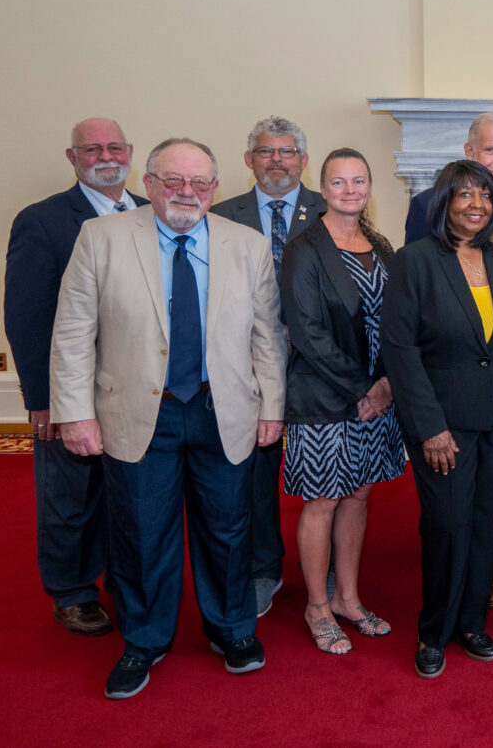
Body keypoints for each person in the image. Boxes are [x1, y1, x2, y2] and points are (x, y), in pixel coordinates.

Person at [49, 137, 287, 699]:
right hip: (135, 412)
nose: (187, 192)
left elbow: (267, 337)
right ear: (150, 184)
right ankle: (144, 642)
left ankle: (231, 630)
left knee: (229, 530)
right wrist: (75, 415)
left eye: (200, 183)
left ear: (215, 188)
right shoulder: (101, 238)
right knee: (140, 532)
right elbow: (73, 333)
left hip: (221, 408)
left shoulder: (247, 246)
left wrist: (272, 407)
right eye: (174, 181)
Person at [383, 160, 493, 679]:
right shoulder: (415, 261)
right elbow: (400, 351)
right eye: (465, 195)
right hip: (441, 426)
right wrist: (429, 427)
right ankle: (433, 631)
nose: (477, 205)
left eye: (485, 196)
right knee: (448, 525)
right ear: (443, 202)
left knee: (486, 523)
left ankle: (472, 624)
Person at [5, 117, 145, 638]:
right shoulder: (42, 221)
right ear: (73, 157)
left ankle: (122, 579)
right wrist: (43, 398)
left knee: (128, 491)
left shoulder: (152, 214)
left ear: (130, 152)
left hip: (137, 389)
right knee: (70, 497)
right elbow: (27, 315)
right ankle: (73, 592)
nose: (105, 156)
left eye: (113, 147)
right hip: (73, 389)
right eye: (92, 149)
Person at [404, 112, 493, 606]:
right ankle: (447, 608)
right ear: (469, 151)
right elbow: (409, 325)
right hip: (447, 398)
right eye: (490, 151)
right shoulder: (423, 222)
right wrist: (427, 422)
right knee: (451, 514)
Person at [279, 149, 405, 655]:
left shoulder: (381, 244)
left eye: (358, 180)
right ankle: (316, 605)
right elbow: (306, 332)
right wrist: (364, 388)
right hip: (326, 396)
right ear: (322, 187)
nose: (349, 189)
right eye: (338, 181)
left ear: (370, 186)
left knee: (359, 496)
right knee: (325, 499)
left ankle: (349, 598)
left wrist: (389, 384)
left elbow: (400, 320)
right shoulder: (304, 247)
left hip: (380, 394)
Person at [211, 115, 326, 618]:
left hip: (316, 368)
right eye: (265, 152)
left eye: (286, 152)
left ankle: (323, 576)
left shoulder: (330, 209)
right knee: (254, 471)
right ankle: (263, 567)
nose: (276, 160)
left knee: (325, 478)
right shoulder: (220, 214)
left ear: (303, 159)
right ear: (248, 160)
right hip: (246, 366)